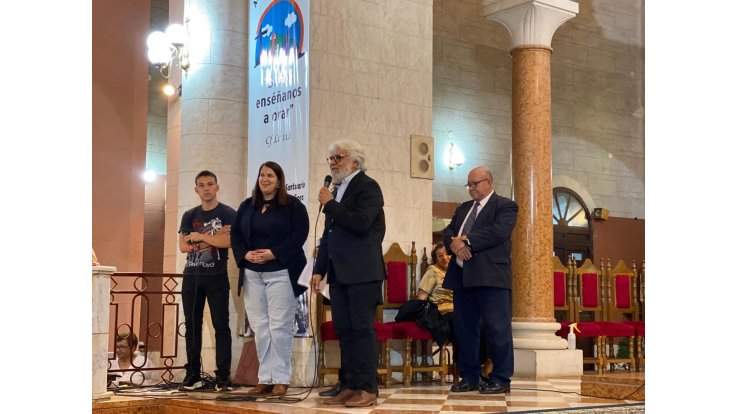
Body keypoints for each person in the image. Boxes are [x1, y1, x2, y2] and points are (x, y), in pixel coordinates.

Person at [311, 140, 386, 408]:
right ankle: (350, 384)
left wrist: (330, 204)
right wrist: (319, 270)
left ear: (355, 161)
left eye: (338, 157)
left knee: (361, 329)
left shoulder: (368, 187)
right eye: (330, 158)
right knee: (345, 330)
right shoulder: (337, 190)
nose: (332, 162)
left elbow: (361, 223)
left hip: (363, 271)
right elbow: (328, 235)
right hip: (339, 273)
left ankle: (367, 388)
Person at [231, 161, 309, 397]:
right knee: (260, 327)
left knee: (279, 326)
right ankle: (265, 377)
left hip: (281, 271)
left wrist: (274, 253)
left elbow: (300, 234)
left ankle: (281, 379)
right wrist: (244, 254)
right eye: (262, 175)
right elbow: (235, 234)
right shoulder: (247, 206)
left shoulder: (293, 205)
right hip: (253, 273)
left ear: (279, 180)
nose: (265, 179)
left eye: (270, 176)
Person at [442, 166, 518, 394]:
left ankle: (501, 378)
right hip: (462, 278)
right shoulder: (464, 208)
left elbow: (498, 232)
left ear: (489, 182)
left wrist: (466, 240)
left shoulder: (505, 206)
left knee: (497, 329)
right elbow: (448, 232)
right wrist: (454, 243)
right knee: (465, 330)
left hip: (491, 278)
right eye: (468, 185)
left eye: (474, 184)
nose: (471, 189)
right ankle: (470, 377)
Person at [178, 170, 237, 392]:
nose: (206, 188)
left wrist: (200, 237)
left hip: (217, 277)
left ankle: (223, 376)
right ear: (196, 190)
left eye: (210, 184)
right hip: (192, 277)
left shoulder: (228, 213)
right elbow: (184, 247)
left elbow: (229, 242)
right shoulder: (189, 215)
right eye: (201, 185)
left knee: (221, 326)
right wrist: (213, 238)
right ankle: (192, 373)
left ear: (217, 187)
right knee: (192, 326)